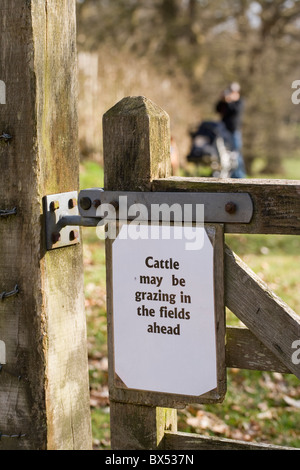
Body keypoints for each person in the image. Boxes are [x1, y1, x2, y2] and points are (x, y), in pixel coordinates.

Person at [215, 82, 246, 178]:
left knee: (236, 154)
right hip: (224, 131)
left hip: (234, 131)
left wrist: (229, 101)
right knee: (226, 153)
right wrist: (222, 100)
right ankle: (230, 174)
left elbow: (234, 111)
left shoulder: (240, 102)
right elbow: (217, 109)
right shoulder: (226, 102)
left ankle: (239, 175)